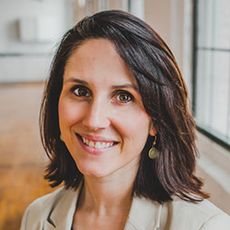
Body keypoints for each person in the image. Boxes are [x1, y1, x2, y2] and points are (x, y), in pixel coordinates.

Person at [20, 10, 230, 230]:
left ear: (156, 120)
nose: (94, 120)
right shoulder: (37, 217)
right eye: (81, 91)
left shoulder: (208, 226)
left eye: (124, 96)